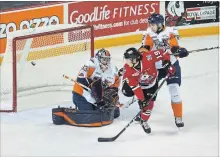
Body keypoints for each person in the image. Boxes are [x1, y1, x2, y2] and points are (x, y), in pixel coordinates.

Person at [141, 13, 189, 127]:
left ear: (159, 24)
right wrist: (140, 52)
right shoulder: (148, 33)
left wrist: (180, 50)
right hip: (155, 67)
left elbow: (174, 46)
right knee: (148, 92)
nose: (151, 26)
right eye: (150, 24)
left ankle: (178, 117)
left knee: (174, 90)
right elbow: (146, 47)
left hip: (171, 64)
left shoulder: (171, 31)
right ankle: (143, 113)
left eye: (152, 24)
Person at [52, 49, 121, 127]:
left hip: (98, 97)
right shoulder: (90, 64)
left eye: (108, 59)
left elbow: (115, 87)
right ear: (98, 58)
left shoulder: (113, 70)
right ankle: (68, 112)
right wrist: (95, 90)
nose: (106, 62)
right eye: (103, 59)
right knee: (91, 113)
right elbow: (81, 79)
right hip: (81, 94)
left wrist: (110, 98)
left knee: (114, 112)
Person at [121, 46, 176, 133]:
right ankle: (140, 103)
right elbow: (135, 87)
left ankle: (143, 120)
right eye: (126, 59)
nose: (127, 62)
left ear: (136, 59)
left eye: (129, 59)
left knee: (149, 107)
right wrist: (142, 100)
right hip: (139, 86)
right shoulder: (127, 70)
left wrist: (167, 62)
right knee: (143, 103)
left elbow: (164, 52)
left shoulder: (148, 57)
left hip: (152, 84)